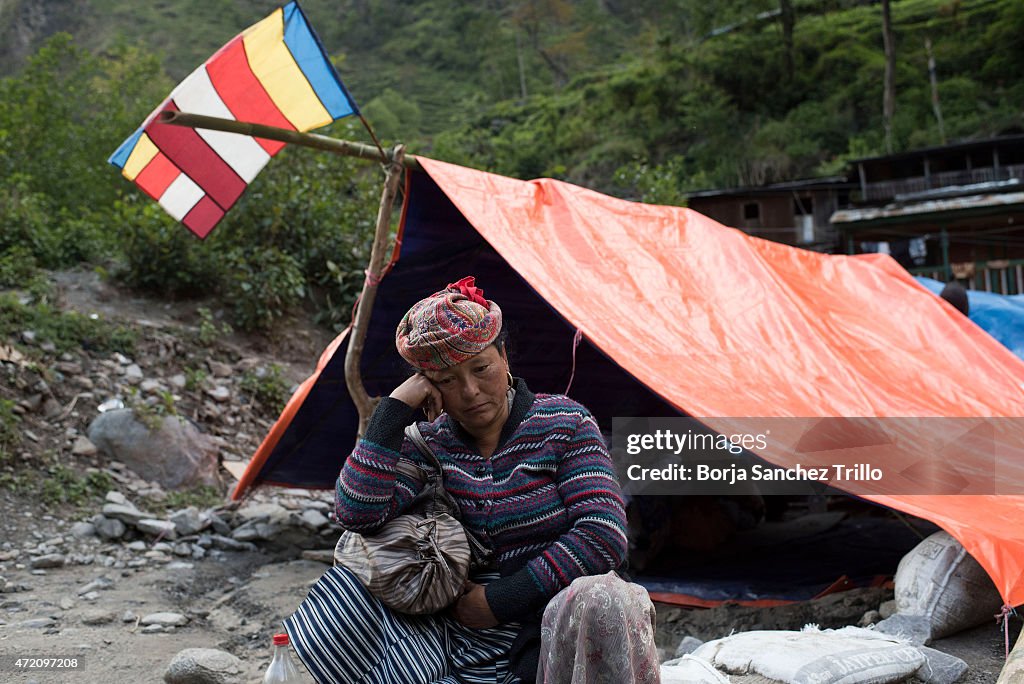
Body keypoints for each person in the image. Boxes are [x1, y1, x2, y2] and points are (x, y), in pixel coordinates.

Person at [284, 276, 660, 684]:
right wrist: (392, 412)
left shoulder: (565, 424)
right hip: (459, 637)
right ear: (429, 387)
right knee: (348, 586)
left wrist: (500, 600)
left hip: (553, 625)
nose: (470, 391)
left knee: (604, 598)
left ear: (504, 358)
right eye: (447, 380)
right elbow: (357, 514)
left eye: (481, 369)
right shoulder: (428, 445)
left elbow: (602, 534)